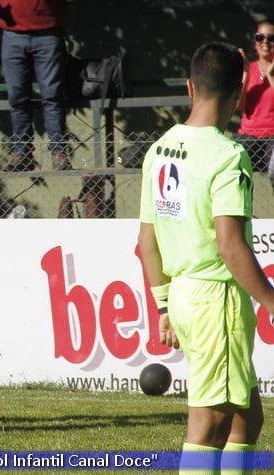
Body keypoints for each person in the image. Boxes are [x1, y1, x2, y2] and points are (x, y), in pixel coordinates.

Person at [138, 41, 274, 473]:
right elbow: (230, 246)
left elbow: (147, 241)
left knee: (247, 419)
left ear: (189, 88)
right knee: (208, 426)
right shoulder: (228, 155)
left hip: (183, 294)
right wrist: (272, 302)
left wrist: (163, 305)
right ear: (240, 93)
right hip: (215, 300)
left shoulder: (158, 149)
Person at [0, 0, 70, 172]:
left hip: (48, 33)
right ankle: (22, 153)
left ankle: (59, 152)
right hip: (13, 35)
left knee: (52, 95)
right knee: (17, 97)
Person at [237, 19, 274, 176]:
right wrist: (245, 72)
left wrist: (271, 76)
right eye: (260, 37)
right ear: (255, 42)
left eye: (271, 38)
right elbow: (239, 106)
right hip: (248, 135)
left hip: (273, 136)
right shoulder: (250, 68)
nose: (265, 42)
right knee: (234, 169)